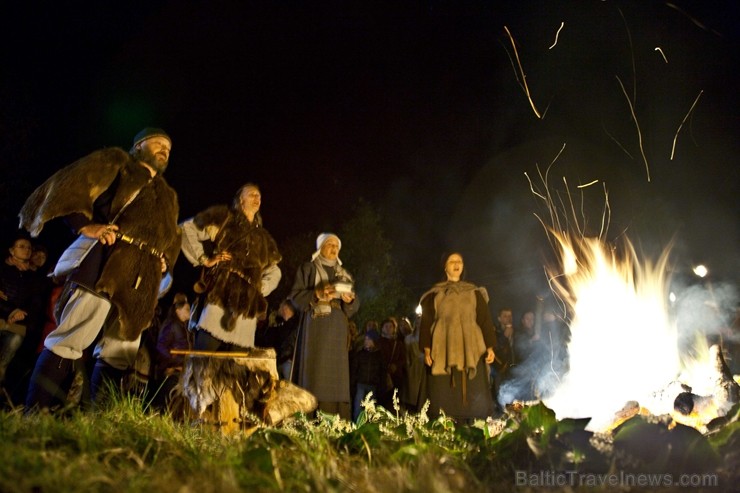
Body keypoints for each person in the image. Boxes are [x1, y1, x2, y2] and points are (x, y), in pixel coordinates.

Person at [19, 127, 181, 411]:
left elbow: (172, 238)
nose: (164, 149)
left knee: (120, 352)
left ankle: (101, 422)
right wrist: (84, 225)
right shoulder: (117, 163)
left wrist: (164, 259)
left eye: (168, 147)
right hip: (105, 261)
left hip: (139, 280)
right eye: (157, 143)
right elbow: (71, 186)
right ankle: (39, 413)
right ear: (139, 145)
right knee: (72, 338)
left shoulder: (167, 196)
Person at [180, 183, 282, 351]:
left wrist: (260, 288)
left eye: (259, 196)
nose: (257, 198)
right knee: (202, 359)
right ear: (240, 200)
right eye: (252, 195)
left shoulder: (264, 238)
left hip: (246, 311)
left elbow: (275, 271)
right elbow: (187, 228)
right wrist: (204, 259)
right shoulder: (224, 219)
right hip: (220, 298)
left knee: (236, 368)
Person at [419, 252, 497, 421]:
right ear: (445, 266)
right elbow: (426, 323)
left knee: (474, 397)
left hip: (471, 349)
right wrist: (426, 350)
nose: (456, 264)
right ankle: (441, 425)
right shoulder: (435, 293)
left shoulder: (474, 292)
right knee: (442, 396)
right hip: (443, 349)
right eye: (452, 261)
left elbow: (484, 319)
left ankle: (473, 424)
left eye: (460, 261)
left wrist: (490, 347)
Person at [290, 233, 359, 419]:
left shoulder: (344, 274)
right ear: (320, 247)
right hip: (316, 327)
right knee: (315, 372)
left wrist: (350, 300)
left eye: (336, 245)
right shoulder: (308, 268)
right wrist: (316, 294)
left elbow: (354, 305)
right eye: (329, 244)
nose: (334, 248)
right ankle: (311, 415)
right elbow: (295, 297)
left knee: (337, 378)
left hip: (337, 327)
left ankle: (337, 419)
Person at [0, 236, 45, 395]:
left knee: (12, 346)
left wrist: (22, 315)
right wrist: (11, 311)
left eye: (28, 247)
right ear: (12, 250)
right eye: (21, 246)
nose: (26, 250)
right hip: (3, 319)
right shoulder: (3, 270)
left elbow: (36, 304)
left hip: (18, 326)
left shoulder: (33, 277)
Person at [152, 293, 192, 409]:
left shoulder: (184, 327)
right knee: (165, 397)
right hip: (170, 369)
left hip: (180, 367)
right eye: (187, 309)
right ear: (177, 310)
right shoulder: (171, 325)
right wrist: (172, 363)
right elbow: (160, 346)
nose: (189, 311)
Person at [349, 328, 384, 420]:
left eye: (369, 339)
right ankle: (357, 425)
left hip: (373, 385)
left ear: (374, 341)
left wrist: (381, 386)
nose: (366, 341)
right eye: (365, 339)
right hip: (361, 384)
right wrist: (353, 385)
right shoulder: (360, 354)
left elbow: (382, 372)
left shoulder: (379, 356)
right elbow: (354, 370)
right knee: (358, 407)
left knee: (371, 408)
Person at [377, 317, 406, 410]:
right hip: (381, 378)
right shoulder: (378, 343)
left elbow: (403, 358)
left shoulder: (399, 344)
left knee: (394, 403)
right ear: (382, 328)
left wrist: (396, 366)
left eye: (390, 326)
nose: (388, 328)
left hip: (395, 378)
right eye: (386, 326)